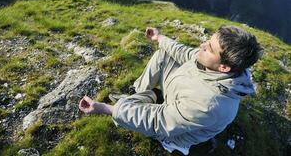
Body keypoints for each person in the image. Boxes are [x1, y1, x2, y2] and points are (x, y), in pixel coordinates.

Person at [79, 26, 263, 155]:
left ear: (224, 68)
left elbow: (158, 121)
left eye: (209, 48)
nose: (202, 45)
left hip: (173, 130)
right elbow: (184, 53)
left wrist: (107, 108)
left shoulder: (210, 104)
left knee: (128, 110)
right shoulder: (215, 64)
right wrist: (159, 38)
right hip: (179, 97)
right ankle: (141, 96)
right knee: (163, 54)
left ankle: (167, 139)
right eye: (208, 40)